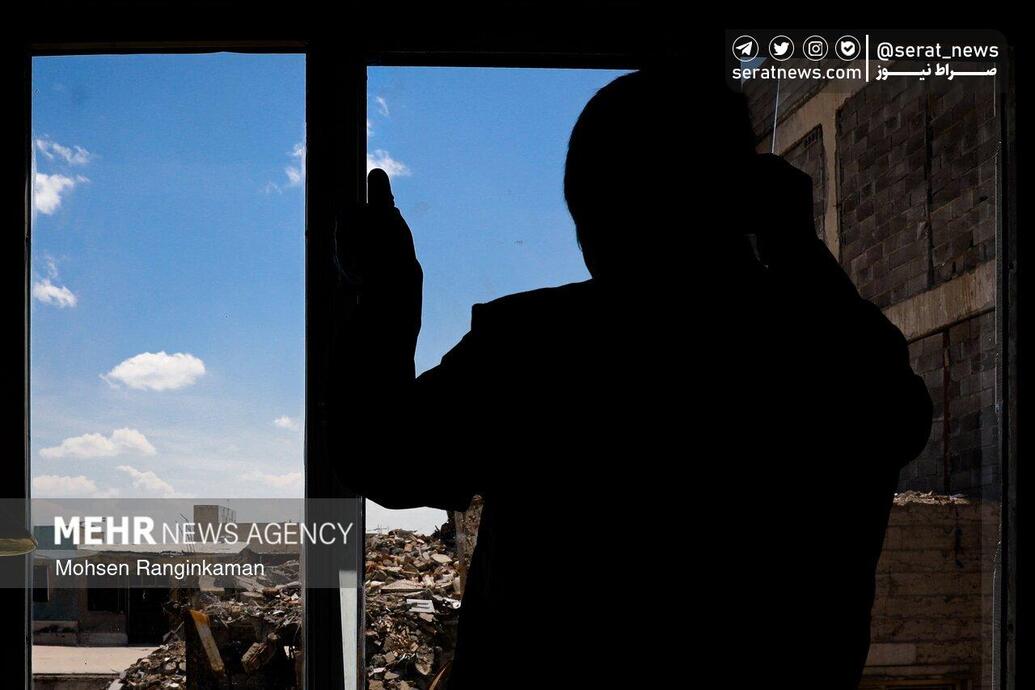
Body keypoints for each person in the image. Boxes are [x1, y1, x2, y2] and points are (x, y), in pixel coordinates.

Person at [339, 69, 933, 689]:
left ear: (592, 214)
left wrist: (385, 295)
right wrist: (797, 248)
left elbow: (378, 454)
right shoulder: (832, 360)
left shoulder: (539, 350)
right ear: (746, 193)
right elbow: (896, 413)